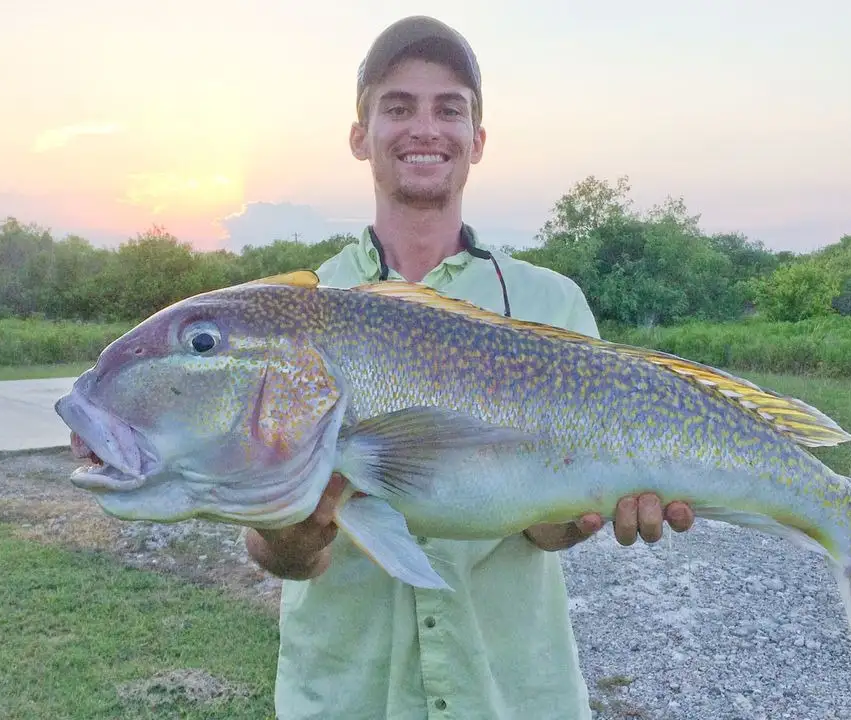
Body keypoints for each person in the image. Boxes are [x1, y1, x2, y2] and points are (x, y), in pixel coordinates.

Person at [244, 15, 695, 719]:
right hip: (346, 698)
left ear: (477, 141)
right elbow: (287, 558)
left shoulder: (550, 304)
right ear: (360, 135)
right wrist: (292, 528)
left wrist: (583, 512)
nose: (425, 127)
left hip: (510, 697)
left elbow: (541, 530)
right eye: (397, 106)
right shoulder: (296, 313)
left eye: (449, 108)